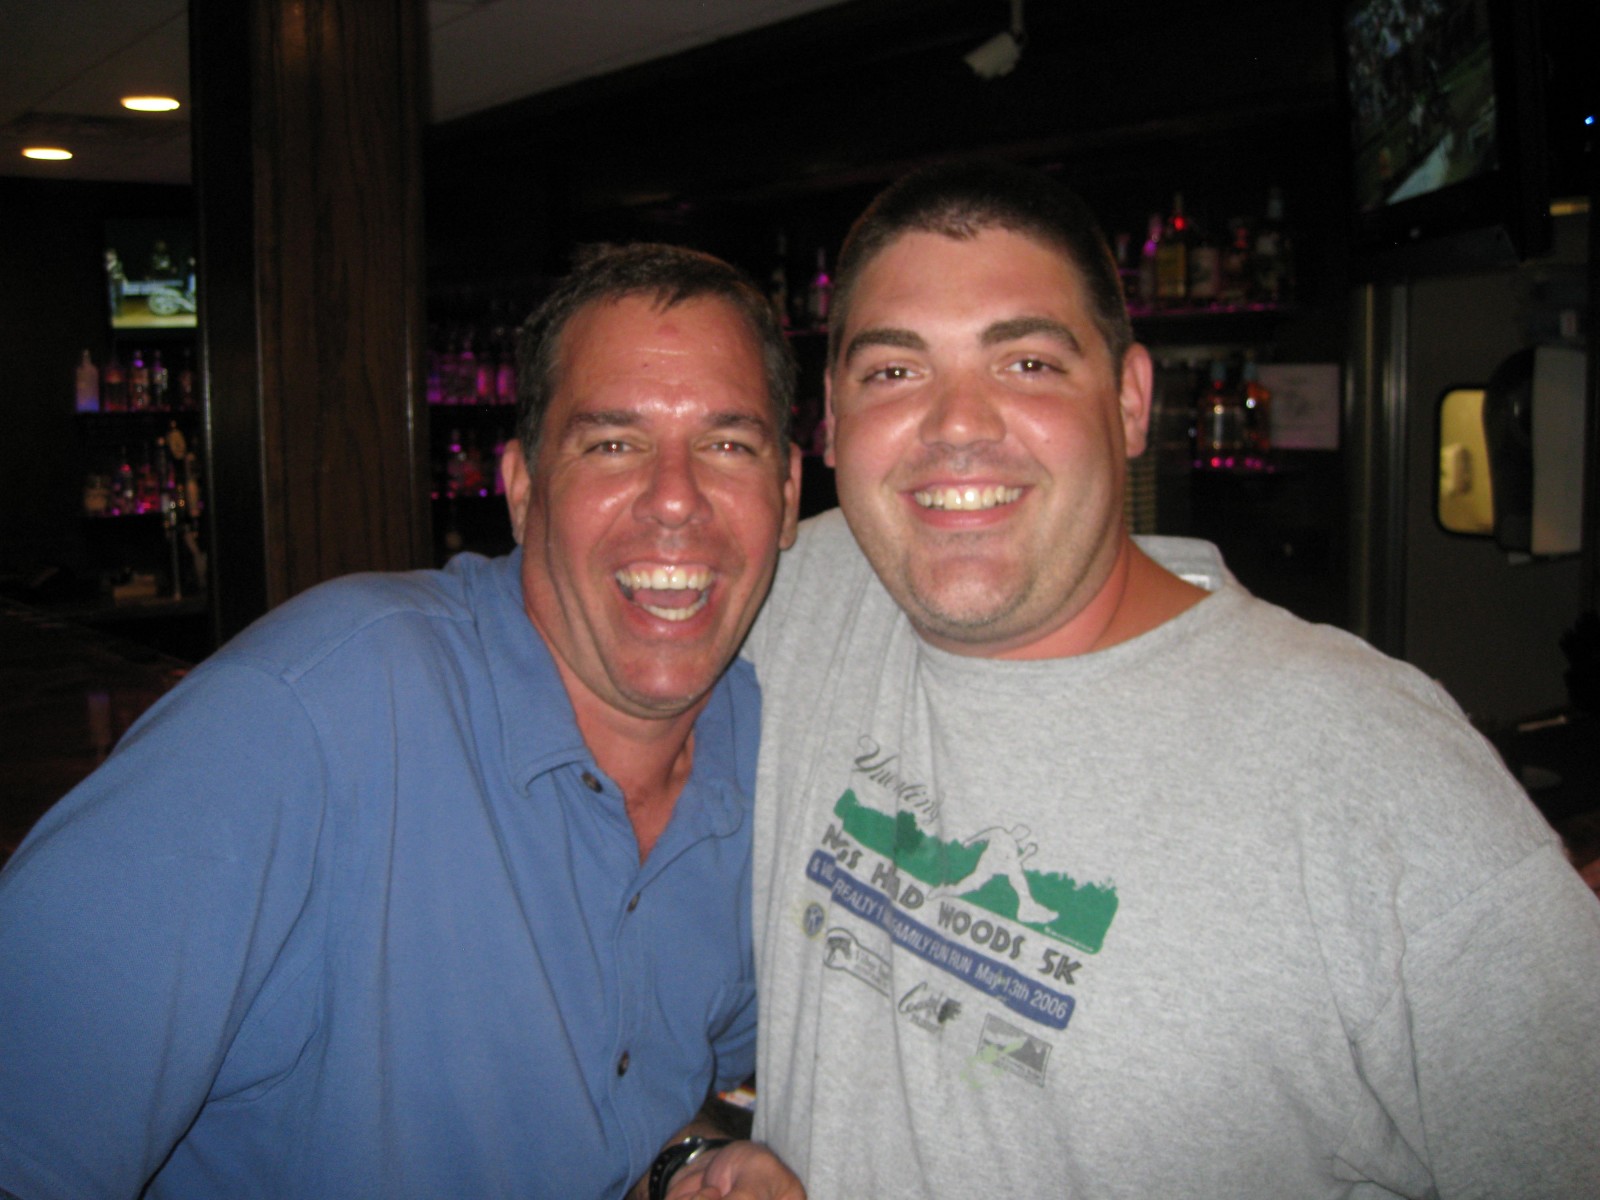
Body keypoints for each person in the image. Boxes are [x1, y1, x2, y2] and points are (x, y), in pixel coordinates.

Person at [740, 160, 1600, 1197]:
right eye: (893, 372)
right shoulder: (788, 592)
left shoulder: (1372, 770)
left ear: (1131, 401)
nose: (956, 423)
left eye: (1027, 363)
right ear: (832, 423)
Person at [0, 244, 805, 1200]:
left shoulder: (772, 759)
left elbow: (637, 1090)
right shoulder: (302, 716)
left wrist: (684, 1164)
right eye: (612, 444)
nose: (676, 498)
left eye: (728, 445)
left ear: (789, 494)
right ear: (522, 490)